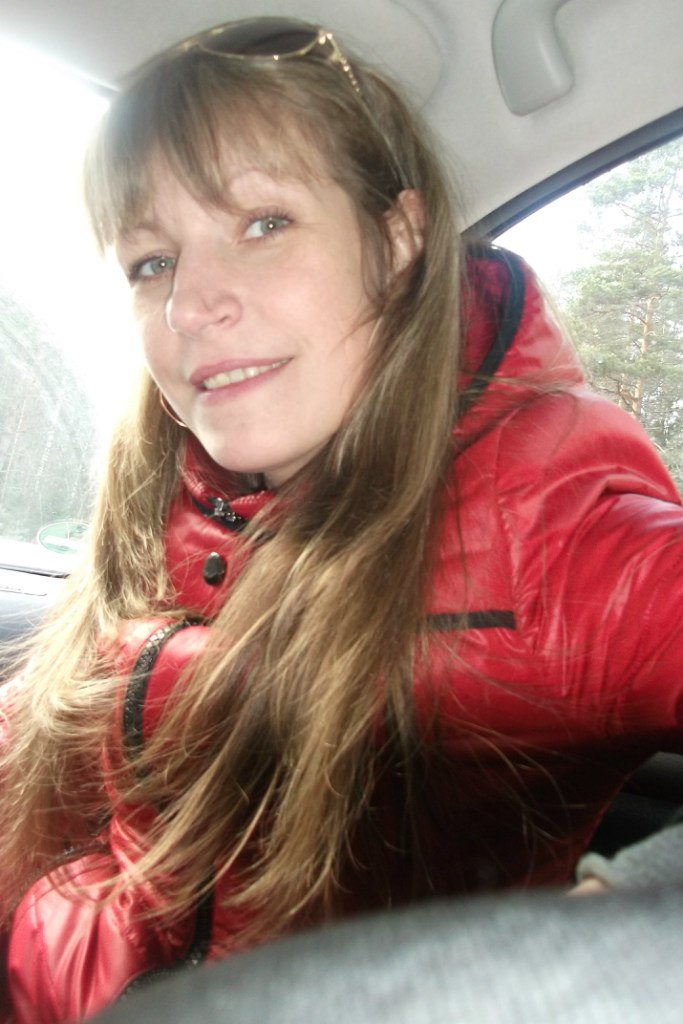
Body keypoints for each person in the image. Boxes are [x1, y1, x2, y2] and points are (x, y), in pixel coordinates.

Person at [1, 16, 682, 1023]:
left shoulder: (554, 529)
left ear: (396, 241)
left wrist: (608, 947)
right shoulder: (168, 494)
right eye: (151, 262)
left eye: (262, 223)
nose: (190, 304)